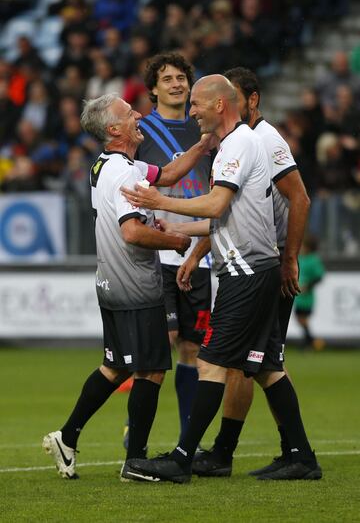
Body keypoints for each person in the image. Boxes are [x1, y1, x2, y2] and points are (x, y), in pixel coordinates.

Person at [122, 74, 321, 483]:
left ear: (219, 106)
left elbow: (217, 204)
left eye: (196, 102)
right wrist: (177, 232)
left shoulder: (241, 144)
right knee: (265, 365)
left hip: (246, 272)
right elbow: (224, 219)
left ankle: (181, 459)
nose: (191, 110)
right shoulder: (236, 144)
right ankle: (301, 455)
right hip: (252, 268)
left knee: (210, 361)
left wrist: (162, 199)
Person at [42, 92, 215, 480]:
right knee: (151, 371)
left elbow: (168, 176)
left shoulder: (107, 166)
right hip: (136, 285)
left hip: (109, 282)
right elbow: (134, 232)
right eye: (128, 112)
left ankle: (67, 438)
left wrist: (202, 144)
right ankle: (135, 461)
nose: (138, 114)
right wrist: (176, 241)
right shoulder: (126, 173)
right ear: (115, 129)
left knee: (114, 366)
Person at [189, 66, 312, 479]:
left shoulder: (262, 137)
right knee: (259, 363)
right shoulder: (236, 140)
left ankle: (227, 452)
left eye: (237, 98)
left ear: (251, 100)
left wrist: (289, 257)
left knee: (253, 361)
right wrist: (197, 252)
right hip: (256, 258)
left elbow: (300, 198)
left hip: (264, 263)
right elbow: (232, 214)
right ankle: (291, 453)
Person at [129, 52, 213, 447]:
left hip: (202, 252)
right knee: (160, 344)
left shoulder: (207, 129)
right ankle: (138, 435)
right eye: (168, 79)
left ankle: (187, 441)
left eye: (182, 78)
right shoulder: (142, 131)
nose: (177, 84)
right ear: (153, 88)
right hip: (158, 253)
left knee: (193, 348)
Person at [295, 235, 325, 350]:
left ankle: (311, 342)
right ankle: (310, 342)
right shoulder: (300, 258)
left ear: (309, 248)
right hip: (299, 296)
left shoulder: (313, 259)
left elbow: (319, 277)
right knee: (300, 319)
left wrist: (308, 286)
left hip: (307, 297)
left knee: (302, 319)